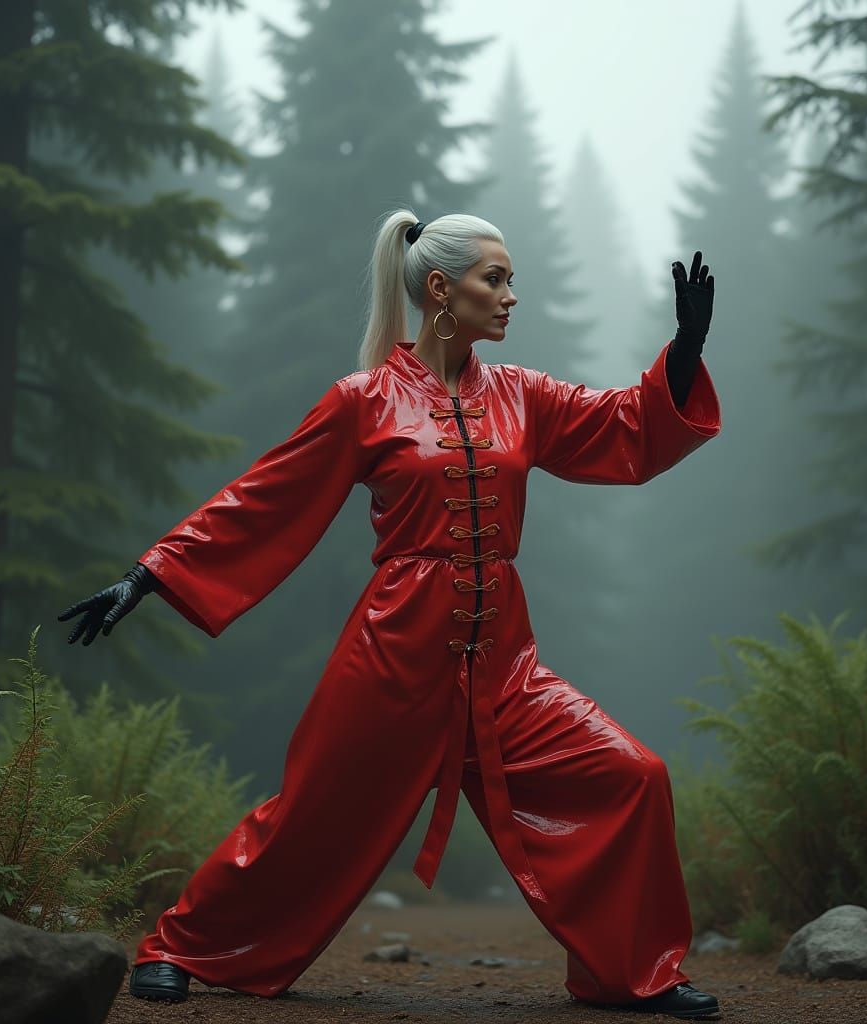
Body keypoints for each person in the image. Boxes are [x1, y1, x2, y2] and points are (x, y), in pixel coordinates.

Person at [58, 210, 722, 1019]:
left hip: (502, 664)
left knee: (631, 776)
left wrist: (682, 353)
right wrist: (152, 571)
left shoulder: (523, 396)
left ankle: (637, 972)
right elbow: (268, 497)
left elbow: (625, 426)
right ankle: (180, 946)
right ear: (440, 289)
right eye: (495, 278)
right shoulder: (364, 400)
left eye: (511, 279)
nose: (512, 296)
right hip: (393, 657)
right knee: (310, 817)